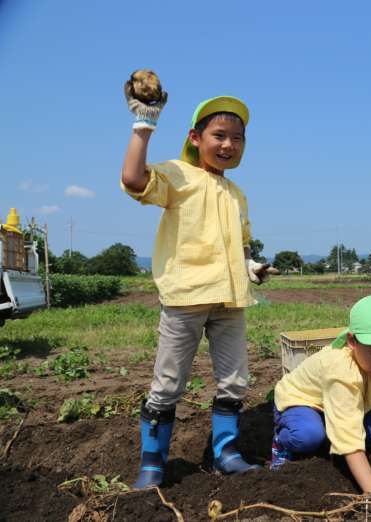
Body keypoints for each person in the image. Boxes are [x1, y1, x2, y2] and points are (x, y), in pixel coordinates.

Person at [121, 76, 276, 488]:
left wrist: (251, 266)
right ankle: (153, 463)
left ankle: (225, 451)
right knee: (168, 383)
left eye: (237, 138)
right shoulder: (177, 175)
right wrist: (144, 125)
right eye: (219, 135)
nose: (228, 145)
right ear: (195, 136)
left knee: (235, 380)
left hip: (230, 302)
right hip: (186, 296)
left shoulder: (237, 194)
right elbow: (135, 180)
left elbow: (240, 247)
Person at [271, 294, 371, 493]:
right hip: (302, 402)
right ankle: (281, 443)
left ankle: (328, 432)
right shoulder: (341, 371)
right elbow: (349, 436)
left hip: (349, 404)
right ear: (352, 341)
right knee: (308, 436)